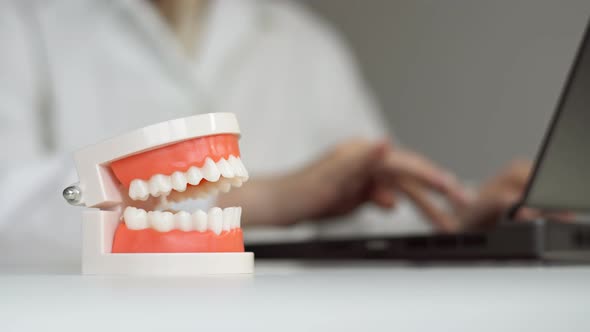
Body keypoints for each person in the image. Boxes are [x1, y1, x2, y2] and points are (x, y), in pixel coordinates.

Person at [0, 0, 530, 265]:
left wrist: (457, 218)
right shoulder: (23, 22)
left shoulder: (305, 41)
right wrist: (270, 199)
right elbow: (12, 215)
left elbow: (368, 214)